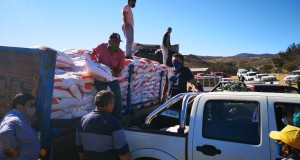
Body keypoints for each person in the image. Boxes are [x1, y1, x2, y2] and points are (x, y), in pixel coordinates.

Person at [76, 90, 131, 160]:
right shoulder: (114, 122)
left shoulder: (82, 120)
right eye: (113, 103)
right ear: (109, 104)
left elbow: (79, 147)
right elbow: (123, 151)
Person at [0, 76, 40, 160]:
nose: (33, 108)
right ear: (19, 106)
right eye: (31, 105)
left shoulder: (22, 117)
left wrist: (36, 85)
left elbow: (29, 100)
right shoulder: (13, 119)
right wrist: (12, 152)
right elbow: (4, 133)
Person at [91, 33, 125, 120]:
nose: (117, 44)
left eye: (118, 42)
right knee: (102, 97)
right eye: (115, 41)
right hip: (100, 77)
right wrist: (94, 64)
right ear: (109, 41)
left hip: (113, 77)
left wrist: (115, 72)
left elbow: (121, 66)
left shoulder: (120, 53)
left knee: (117, 96)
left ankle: (117, 117)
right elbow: (93, 53)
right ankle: (101, 117)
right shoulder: (101, 47)